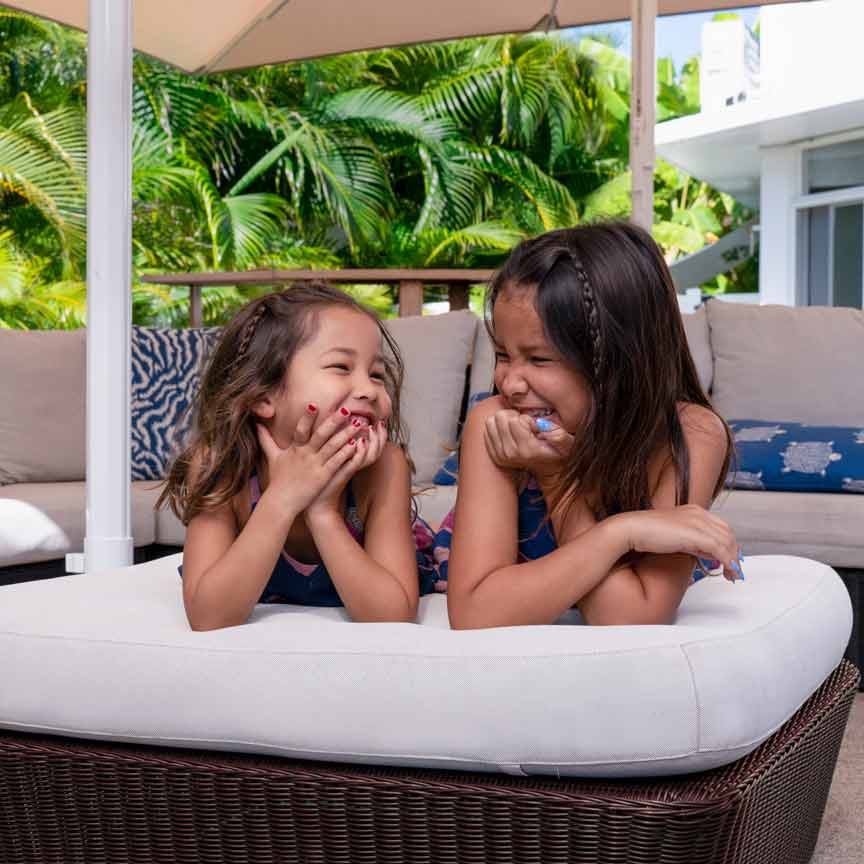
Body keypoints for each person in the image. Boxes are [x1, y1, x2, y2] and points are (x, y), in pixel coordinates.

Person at [438, 221, 744, 630]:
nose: (509, 382)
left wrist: (561, 486)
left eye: (539, 359)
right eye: (503, 355)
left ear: (620, 360)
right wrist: (621, 531)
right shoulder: (496, 424)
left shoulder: (690, 436)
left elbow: (631, 619)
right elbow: (474, 614)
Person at [157, 283, 438, 630]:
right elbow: (207, 616)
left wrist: (323, 512)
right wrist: (284, 497)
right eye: (340, 367)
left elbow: (392, 615)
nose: (369, 390)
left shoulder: (383, 468)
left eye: (376, 373)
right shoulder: (222, 465)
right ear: (264, 395)